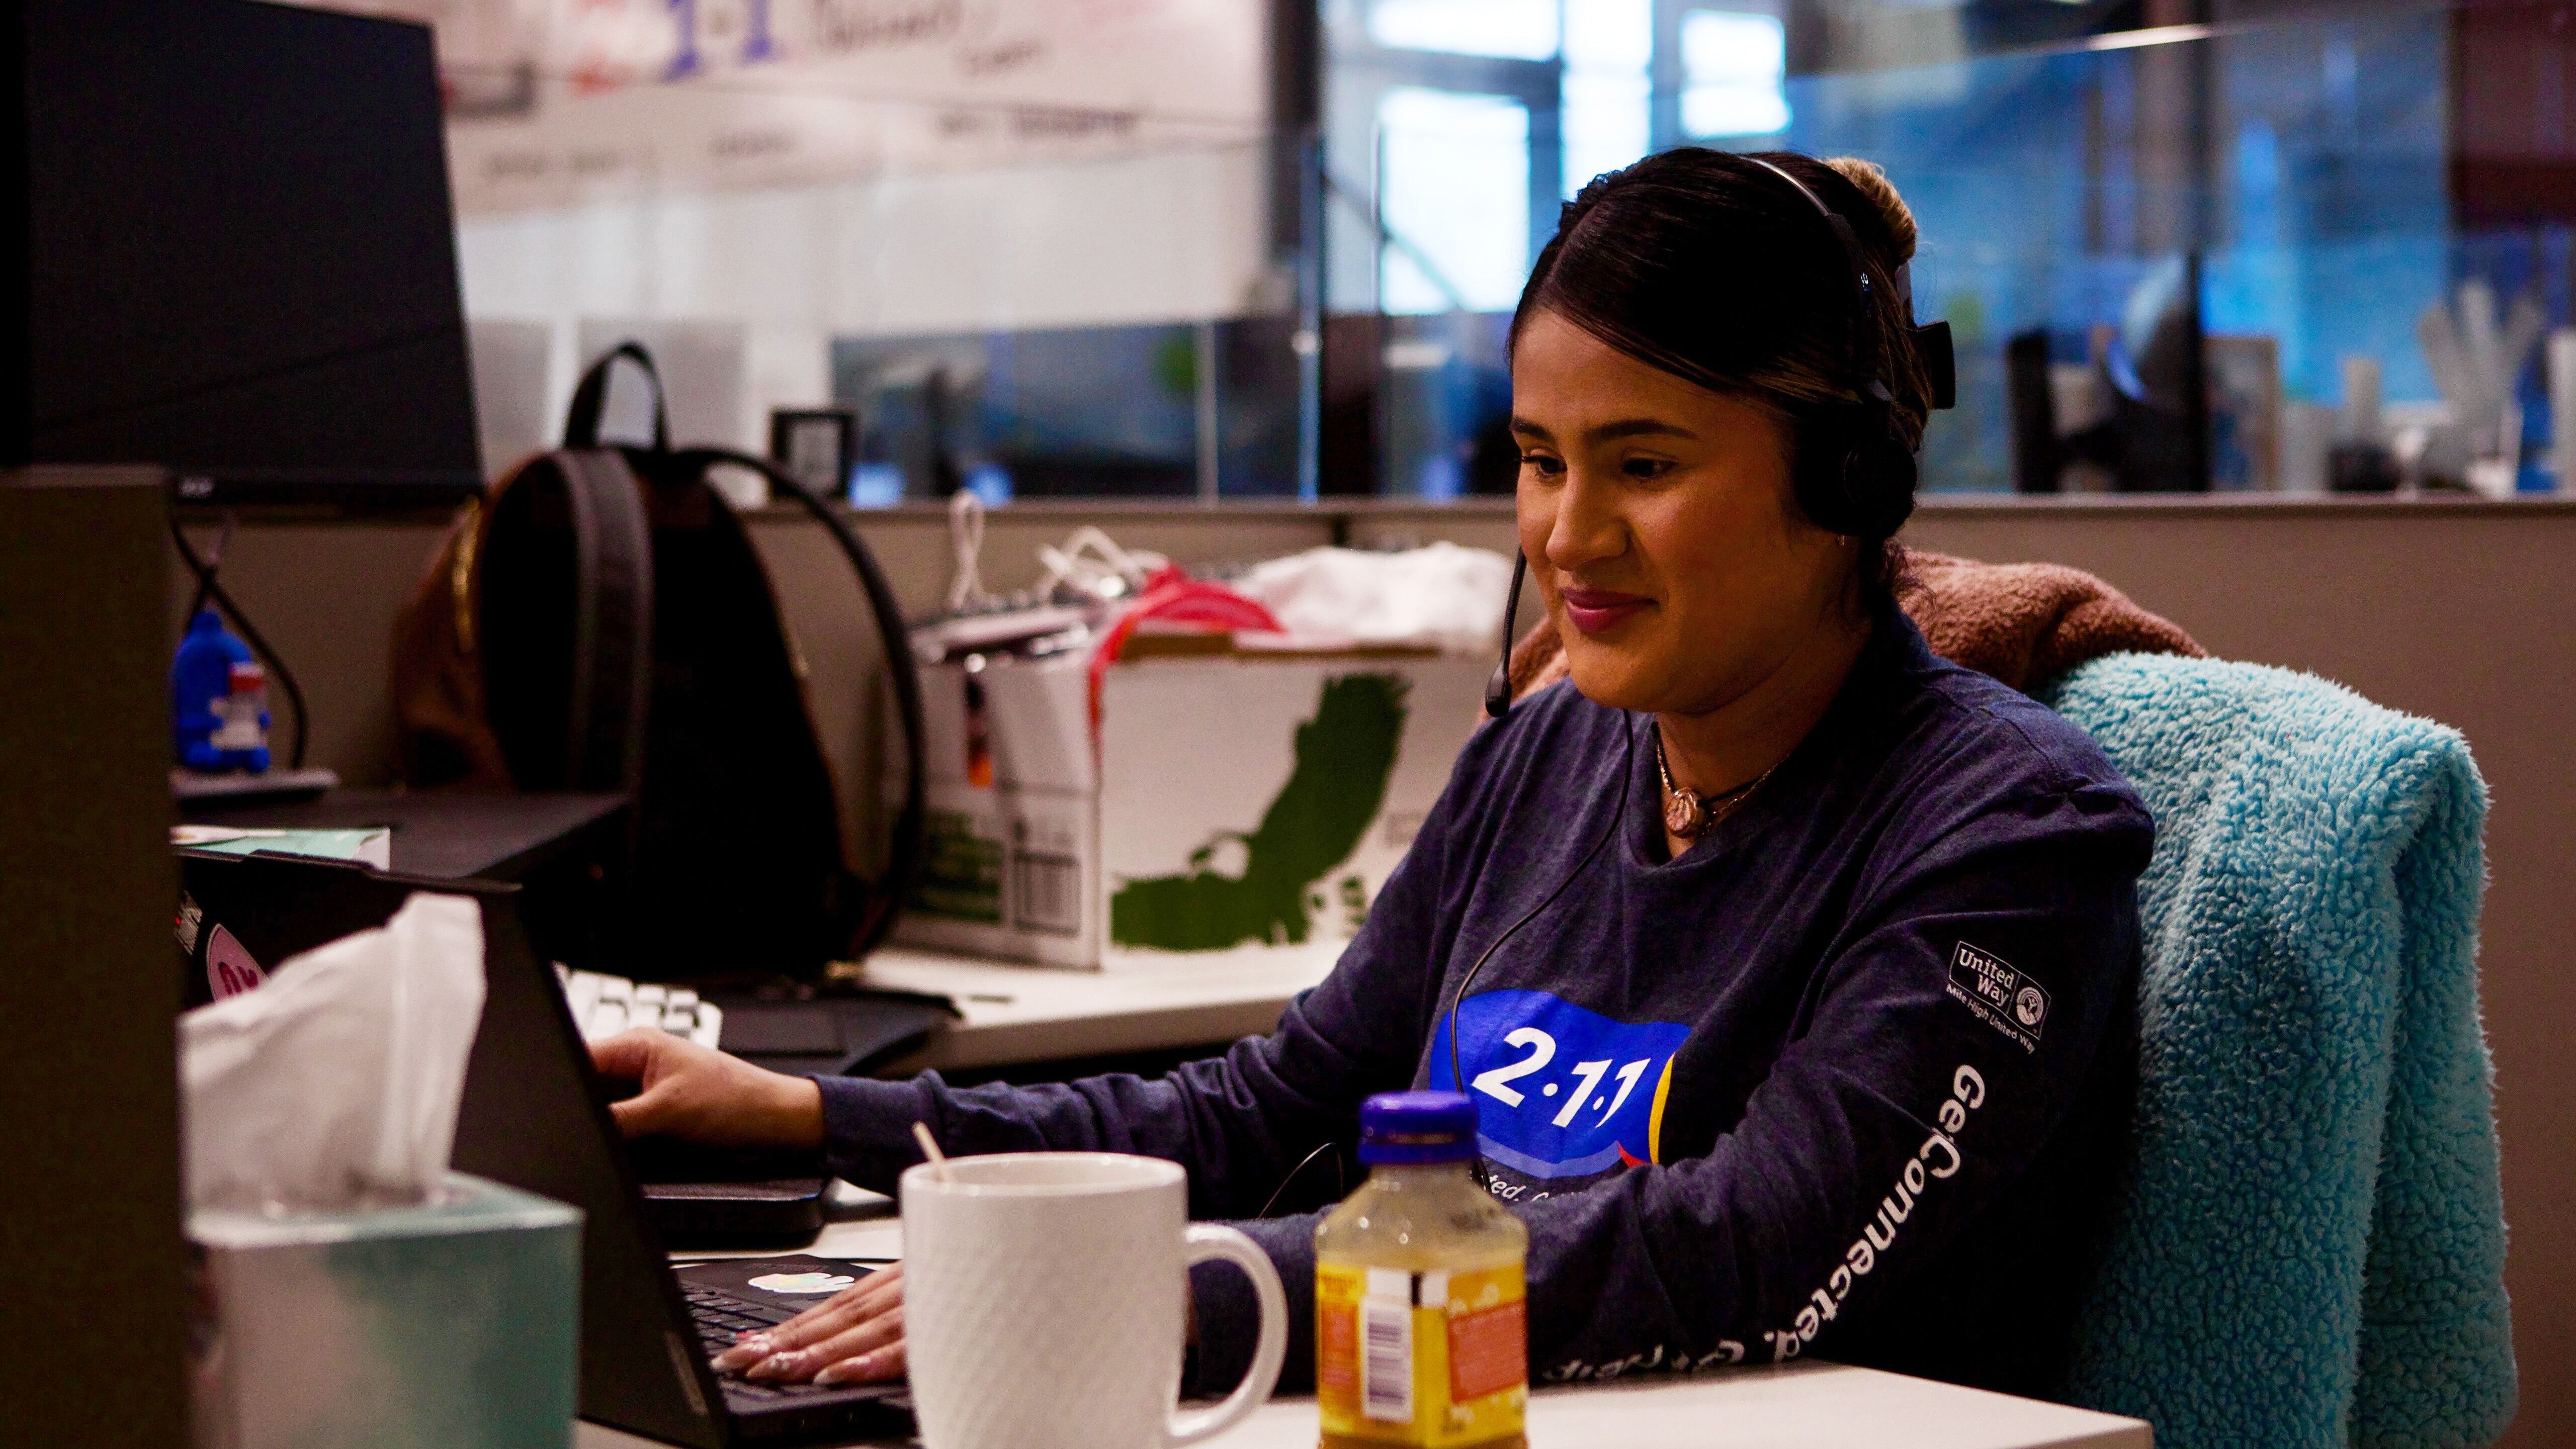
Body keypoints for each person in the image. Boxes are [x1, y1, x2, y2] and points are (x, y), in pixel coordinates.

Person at [591, 149, 2152, 1401]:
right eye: (1541, 459)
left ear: (1847, 477)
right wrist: (810, 1118)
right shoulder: (1551, 749)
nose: (1564, 535)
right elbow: (1265, 1109)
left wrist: (1182, 1288)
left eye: (1645, 464)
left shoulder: (2008, 832)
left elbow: (1750, 1247)